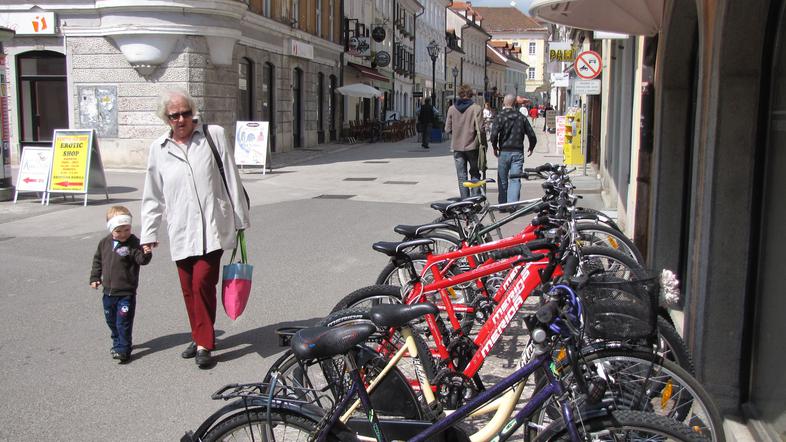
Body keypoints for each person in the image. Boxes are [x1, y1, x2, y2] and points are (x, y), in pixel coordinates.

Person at [141, 88, 250, 369]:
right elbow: (152, 194)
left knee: (203, 282)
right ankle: (199, 333)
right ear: (166, 119)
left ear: (193, 113)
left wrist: (240, 218)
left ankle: (204, 343)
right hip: (180, 230)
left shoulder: (212, 136)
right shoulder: (159, 149)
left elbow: (231, 177)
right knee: (189, 288)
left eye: (185, 113)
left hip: (213, 228)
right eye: (174, 115)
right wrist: (149, 233)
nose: (181, 119)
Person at [90, 206, 152, 364]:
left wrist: (146, 252)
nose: (123, 234)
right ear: (111, 228)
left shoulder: (134, 243)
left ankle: (123, 349)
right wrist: (95, 277)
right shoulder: (104, 243)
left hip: (126, 293)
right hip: (108, 292)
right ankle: (118, 343)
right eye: (119, 231)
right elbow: (98, 261)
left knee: (123, 322)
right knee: (111, 320)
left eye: (126, 229)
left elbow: (141, 260)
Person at [489, 94, 537, 208]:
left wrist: (495, 147)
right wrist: (531, 146)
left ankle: (503, 204)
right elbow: (531, 134)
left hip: (504, 151)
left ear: (504, 103)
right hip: (517, 152)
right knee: (515, 180)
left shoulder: (500, 116)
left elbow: (494, 134)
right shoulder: (521, 117)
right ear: (514, 103)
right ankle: (513, 205)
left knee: (502, 179)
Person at [444, 84, 484, 198]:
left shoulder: (452, 109)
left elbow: (447, 129)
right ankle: (475, 199)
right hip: (472, 146)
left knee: (462, 175)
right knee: (475, 173)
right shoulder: (476, 108)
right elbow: (480, 129)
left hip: (457, 147)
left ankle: (464, 201)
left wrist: (457, 133)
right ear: (470, 94)